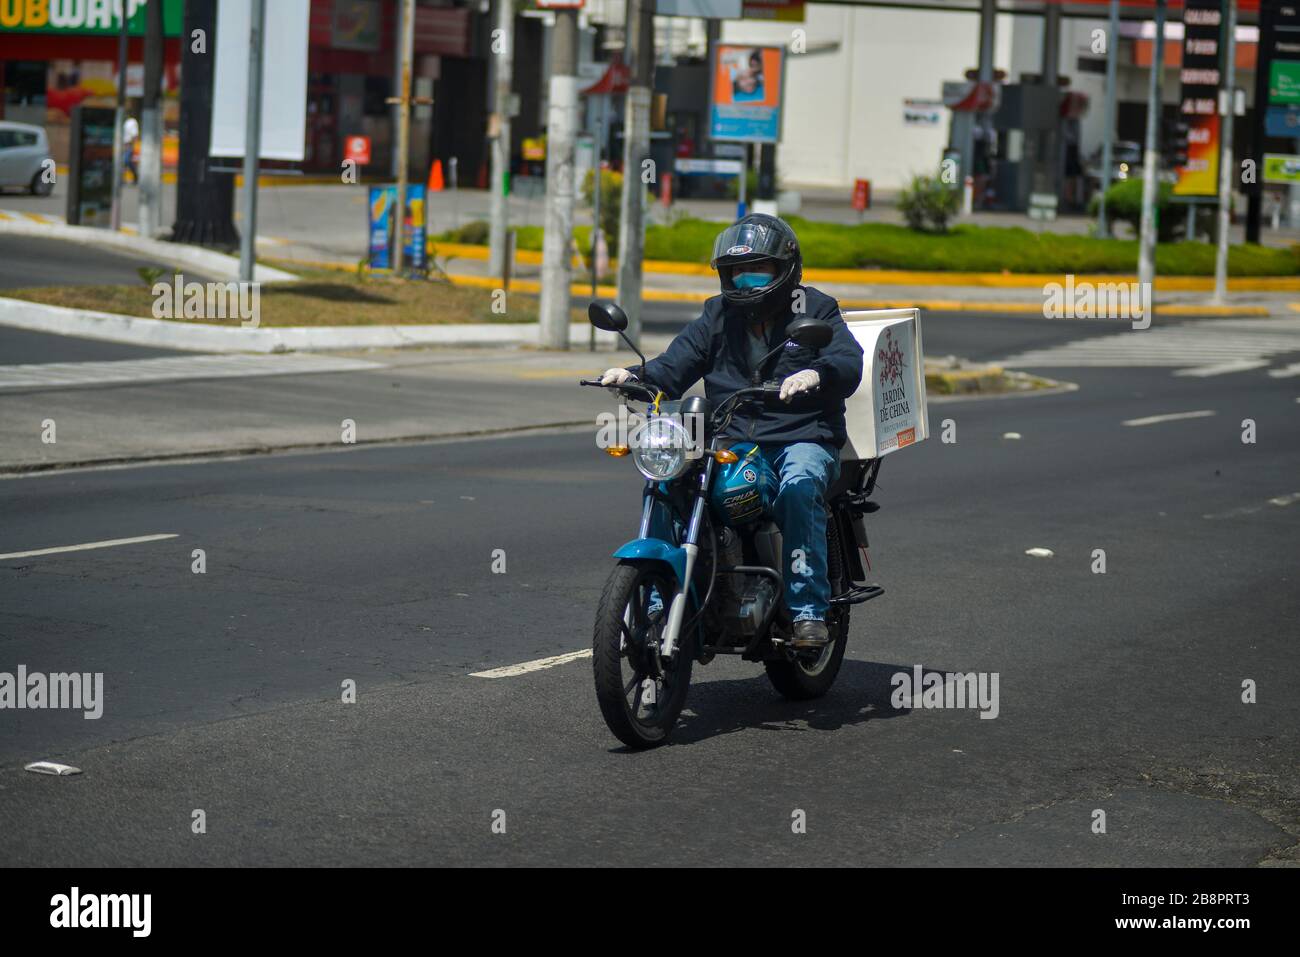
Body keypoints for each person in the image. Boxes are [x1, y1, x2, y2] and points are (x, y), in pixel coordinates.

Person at [600, 214, 864, 649]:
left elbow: (848, 361)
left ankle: (807, 611)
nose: (745, 279)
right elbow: (675, 365)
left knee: (799, 486)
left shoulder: (816, 308)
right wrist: (633, 376)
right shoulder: (717, 315)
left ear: (786, 270)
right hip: (732, 437)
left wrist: (818, 374)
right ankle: (660, 599)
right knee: (671, 482)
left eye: (757, 269)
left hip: (801, 436)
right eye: (736, 270)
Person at [122, 113, 139, 184]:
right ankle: (133, 177)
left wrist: (135, 146)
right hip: (124, 145)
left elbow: (135, 135)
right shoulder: (125, 121)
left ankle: (135, 176)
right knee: (126, 162)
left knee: (126, 161)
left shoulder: (132, 121)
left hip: (128, 145)